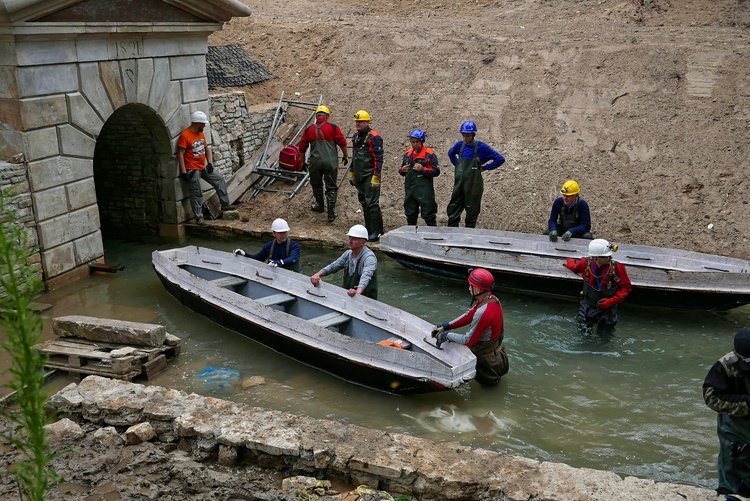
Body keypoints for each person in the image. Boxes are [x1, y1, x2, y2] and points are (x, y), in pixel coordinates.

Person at [430, 268, 508, 386]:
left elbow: (468, 341)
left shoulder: (483, 313)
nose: (468, 288)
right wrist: (446, 326)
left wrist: (446, 336)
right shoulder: (492, 300)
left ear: (477, 289)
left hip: (488, 365)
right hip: (498, 356)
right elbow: (469, 315)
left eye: (470, 286)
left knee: (488, 392)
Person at [703, 327, 750, 499]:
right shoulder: (725, 365)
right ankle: (729, 493)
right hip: (734, 423)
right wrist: (745, 404)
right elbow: (711, 397)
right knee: (732, 460)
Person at [177, 110, 235, 226]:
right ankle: (199, 217)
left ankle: (225, 205)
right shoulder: (185, 135)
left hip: (202, 166)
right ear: (198, 123)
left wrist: (209, 163)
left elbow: (206, 149)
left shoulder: (200, 133)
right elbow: (180, 154)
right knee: (197, 192)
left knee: (219, 179)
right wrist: (184, 172)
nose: (204, 126)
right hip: (192, 169)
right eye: (203, 124)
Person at [564, 238, 632, 337]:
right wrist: (570, 262)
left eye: (608, 256)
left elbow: (626, 288)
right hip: (587, 306)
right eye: (605, 257)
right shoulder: (586, 263)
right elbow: (575, 267)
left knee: (605, 337)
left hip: (608, 309)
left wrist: (612, 301)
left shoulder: (617, 267)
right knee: (583, 334)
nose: (609, 258)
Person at [446, 120, 505, 228]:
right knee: (454, 206)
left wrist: (484, 168)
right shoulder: (460, 145)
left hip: (474, 185)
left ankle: (469, 232)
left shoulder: (482, 147)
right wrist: (457, 166)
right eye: (463, 135)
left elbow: (500, 159)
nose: (465, 138)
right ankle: (452, 230)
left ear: (473, 134)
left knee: (472, 208)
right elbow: (450, 154)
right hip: (459, 184)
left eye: (467, 136)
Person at [297, 105, 349, 223]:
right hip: (330, 162)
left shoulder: (308, 130)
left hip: (315, 163)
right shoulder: (333, 127)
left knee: (316, 184)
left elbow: (302, 148)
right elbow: (342, 142)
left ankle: (319, 206)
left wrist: (303, 162)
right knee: (331, 186)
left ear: (316, 116)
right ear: (327, 116)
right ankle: (331, 212)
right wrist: (345, 155)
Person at [310, 224, 378, 299]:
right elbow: (334, 266)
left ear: (363, 242)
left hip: (366, 299)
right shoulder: (348, 254)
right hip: (348, 296)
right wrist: (318, 274)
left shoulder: (369, 257)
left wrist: (357, 293)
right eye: (349, 238)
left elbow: (366, 275)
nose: (350, 241)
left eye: (354, 239)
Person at [348, 110, 384, 241]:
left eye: (360, 121)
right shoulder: (355, 137)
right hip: (359, 175)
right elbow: (354, 157)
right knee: (364, 203)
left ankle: (378, 231)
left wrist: (376, 176)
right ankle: (369, 229)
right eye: (357, 121)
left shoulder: (374, 137)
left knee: (372, 203)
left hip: (369, 175)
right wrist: (352, 172)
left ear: (367, 122)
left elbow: (378, 158)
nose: (358, 124)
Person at [399, 129, 440, 226]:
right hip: (410, 190)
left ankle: (432, 233)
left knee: (429, 214)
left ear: (422, 141)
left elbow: (436, 171)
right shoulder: (408, 154)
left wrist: (423, 169)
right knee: (410, 213)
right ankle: (411, 234)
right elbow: (401, 170)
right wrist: (402, 170)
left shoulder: (429, 154)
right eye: (413, 142)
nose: (415, 144)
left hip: (425, 191)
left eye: (417, 142)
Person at [233, 218, 301, 272]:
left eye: (284, 232)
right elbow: (258, 259)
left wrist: (280, 262)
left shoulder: (294, 245)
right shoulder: (269, 246)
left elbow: (294, 258)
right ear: (273, 233)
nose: (283, 235)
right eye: (280, 233)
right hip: (275, 276)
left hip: (292, 277)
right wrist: (244, 254)